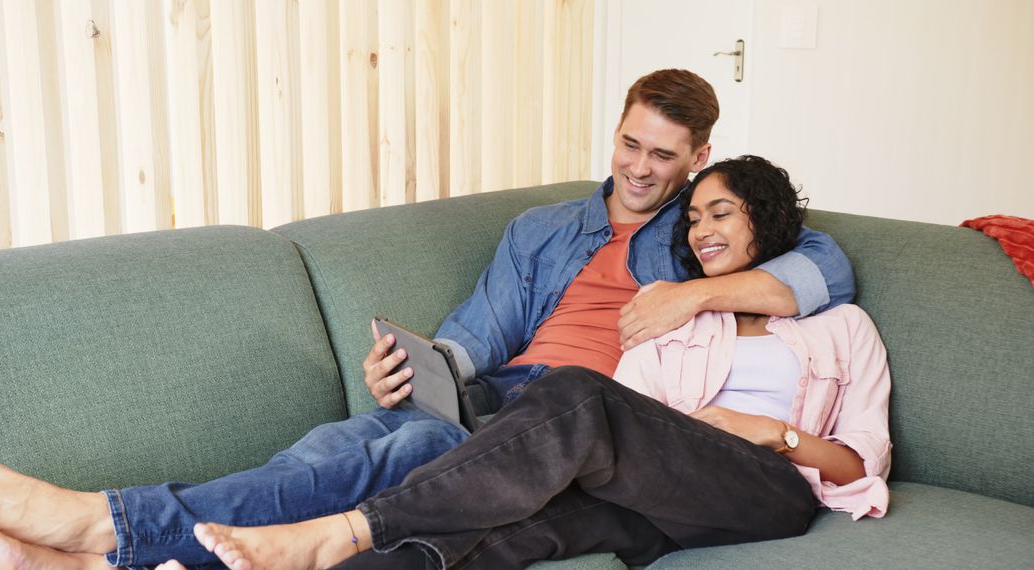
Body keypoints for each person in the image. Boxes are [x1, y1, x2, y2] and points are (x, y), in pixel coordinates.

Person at [0, 70, 854, 570]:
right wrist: (416, 364)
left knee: (408, 453)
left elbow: (827, 265)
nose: (638, 169)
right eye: (629, 144)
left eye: (663, 156)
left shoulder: (704, 230)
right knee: (339, 443)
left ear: (697, 158)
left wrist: (692, 292)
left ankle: (109, 524)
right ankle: (121, 555)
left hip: (589, 418)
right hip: (503, 396)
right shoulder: (543, 229)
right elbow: (478, 335)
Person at [181, 155, 892, 570]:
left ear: (764, 221)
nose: (702, 229)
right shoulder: (674, 317)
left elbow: (862, 466)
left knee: (579, 393)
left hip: (773, 488)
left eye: (722, 213)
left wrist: (774, 433)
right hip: (666, 495)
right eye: (695, 217)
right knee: (499, 529)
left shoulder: (841, 328)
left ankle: (337, 531)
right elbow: (636, 418)